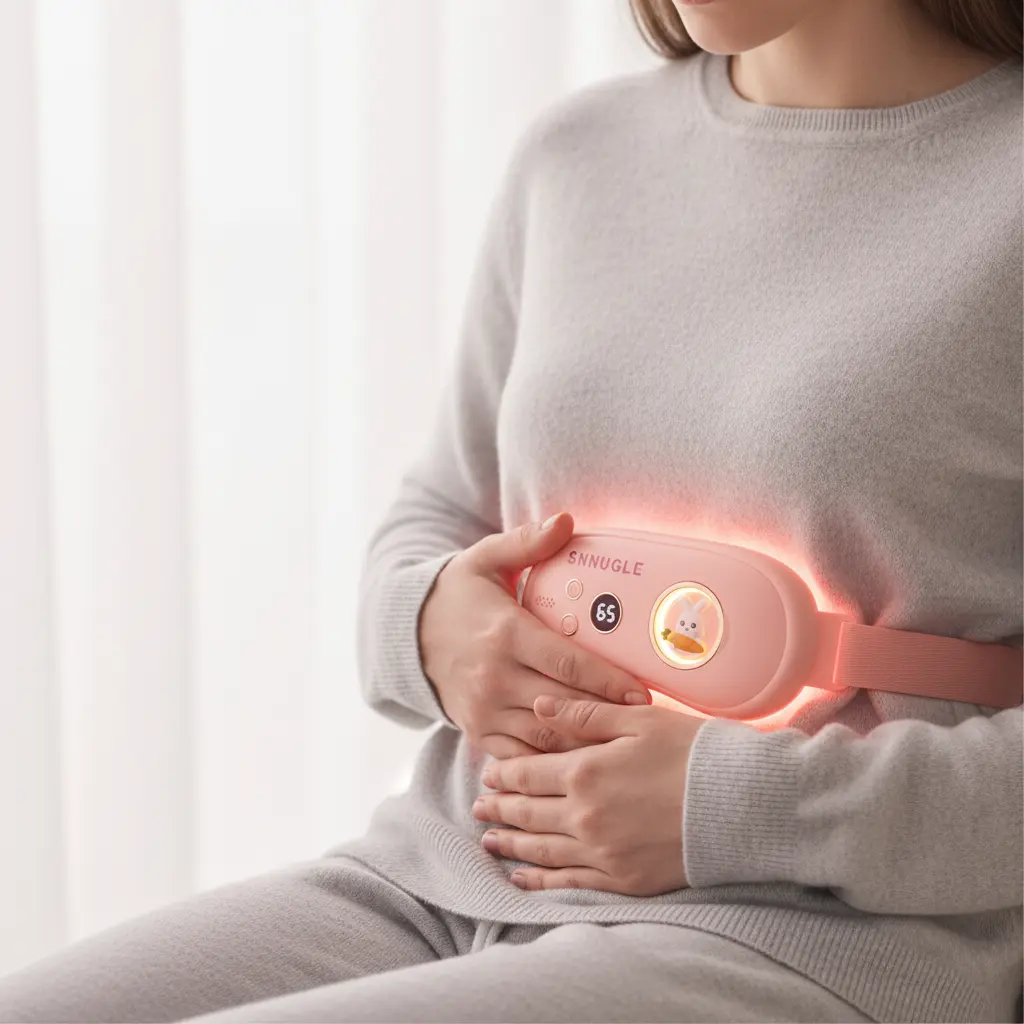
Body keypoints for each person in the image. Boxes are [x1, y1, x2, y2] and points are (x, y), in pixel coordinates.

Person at [2, 0, 1021, 1021]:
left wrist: (740, 810)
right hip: (442, 869)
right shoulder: (577, 157)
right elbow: (435, 512)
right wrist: (430, 623)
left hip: (798, 937)